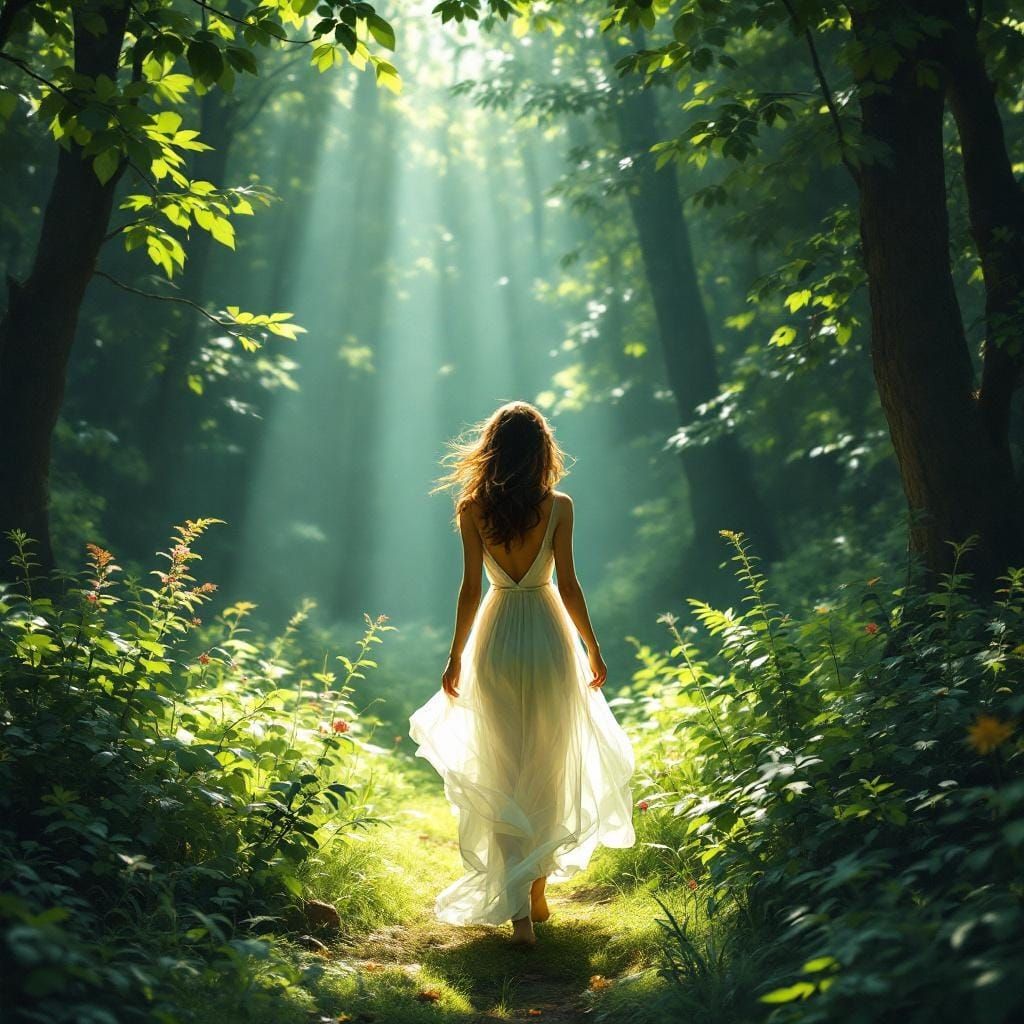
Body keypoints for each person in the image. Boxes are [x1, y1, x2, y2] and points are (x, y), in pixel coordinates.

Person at [409, 400, 636, 947]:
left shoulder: (472, 510)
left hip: (496, 637)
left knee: (503, 764)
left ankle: (521, 912)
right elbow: (571, 585)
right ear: (541, 452)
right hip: (549, 637)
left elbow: (469, 590)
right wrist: (594, 648)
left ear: (491, 450)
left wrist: (456, 655)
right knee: (550, 761)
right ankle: (535, 891)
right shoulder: (559, 506)